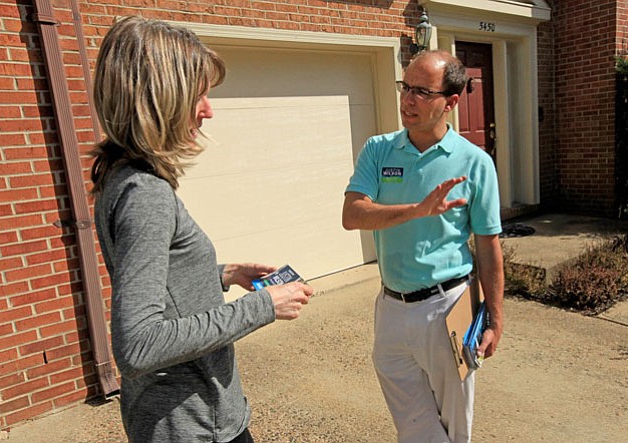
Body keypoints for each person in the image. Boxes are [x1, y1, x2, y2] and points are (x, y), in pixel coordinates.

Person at [90, 16, 313, 443]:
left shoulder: (121, 176)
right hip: (192, 424)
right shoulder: (146, 194)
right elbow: (138, 345)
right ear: (160, 99)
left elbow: (155, 284)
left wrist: (223, 273)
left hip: (178, 419)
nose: (209, 109)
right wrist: (264, 306)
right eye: (199, 95)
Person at [342, 50, 504, 443]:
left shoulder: (475, 162)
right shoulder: (379, 150)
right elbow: (353, 215)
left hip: (451, 307)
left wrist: (494, 318)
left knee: (454, 422)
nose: (407, 100)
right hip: (391, 308)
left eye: (421, 91)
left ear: (450, 102)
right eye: (405, 87)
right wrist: (415, 211)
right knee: (412, 424)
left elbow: (487, 247)